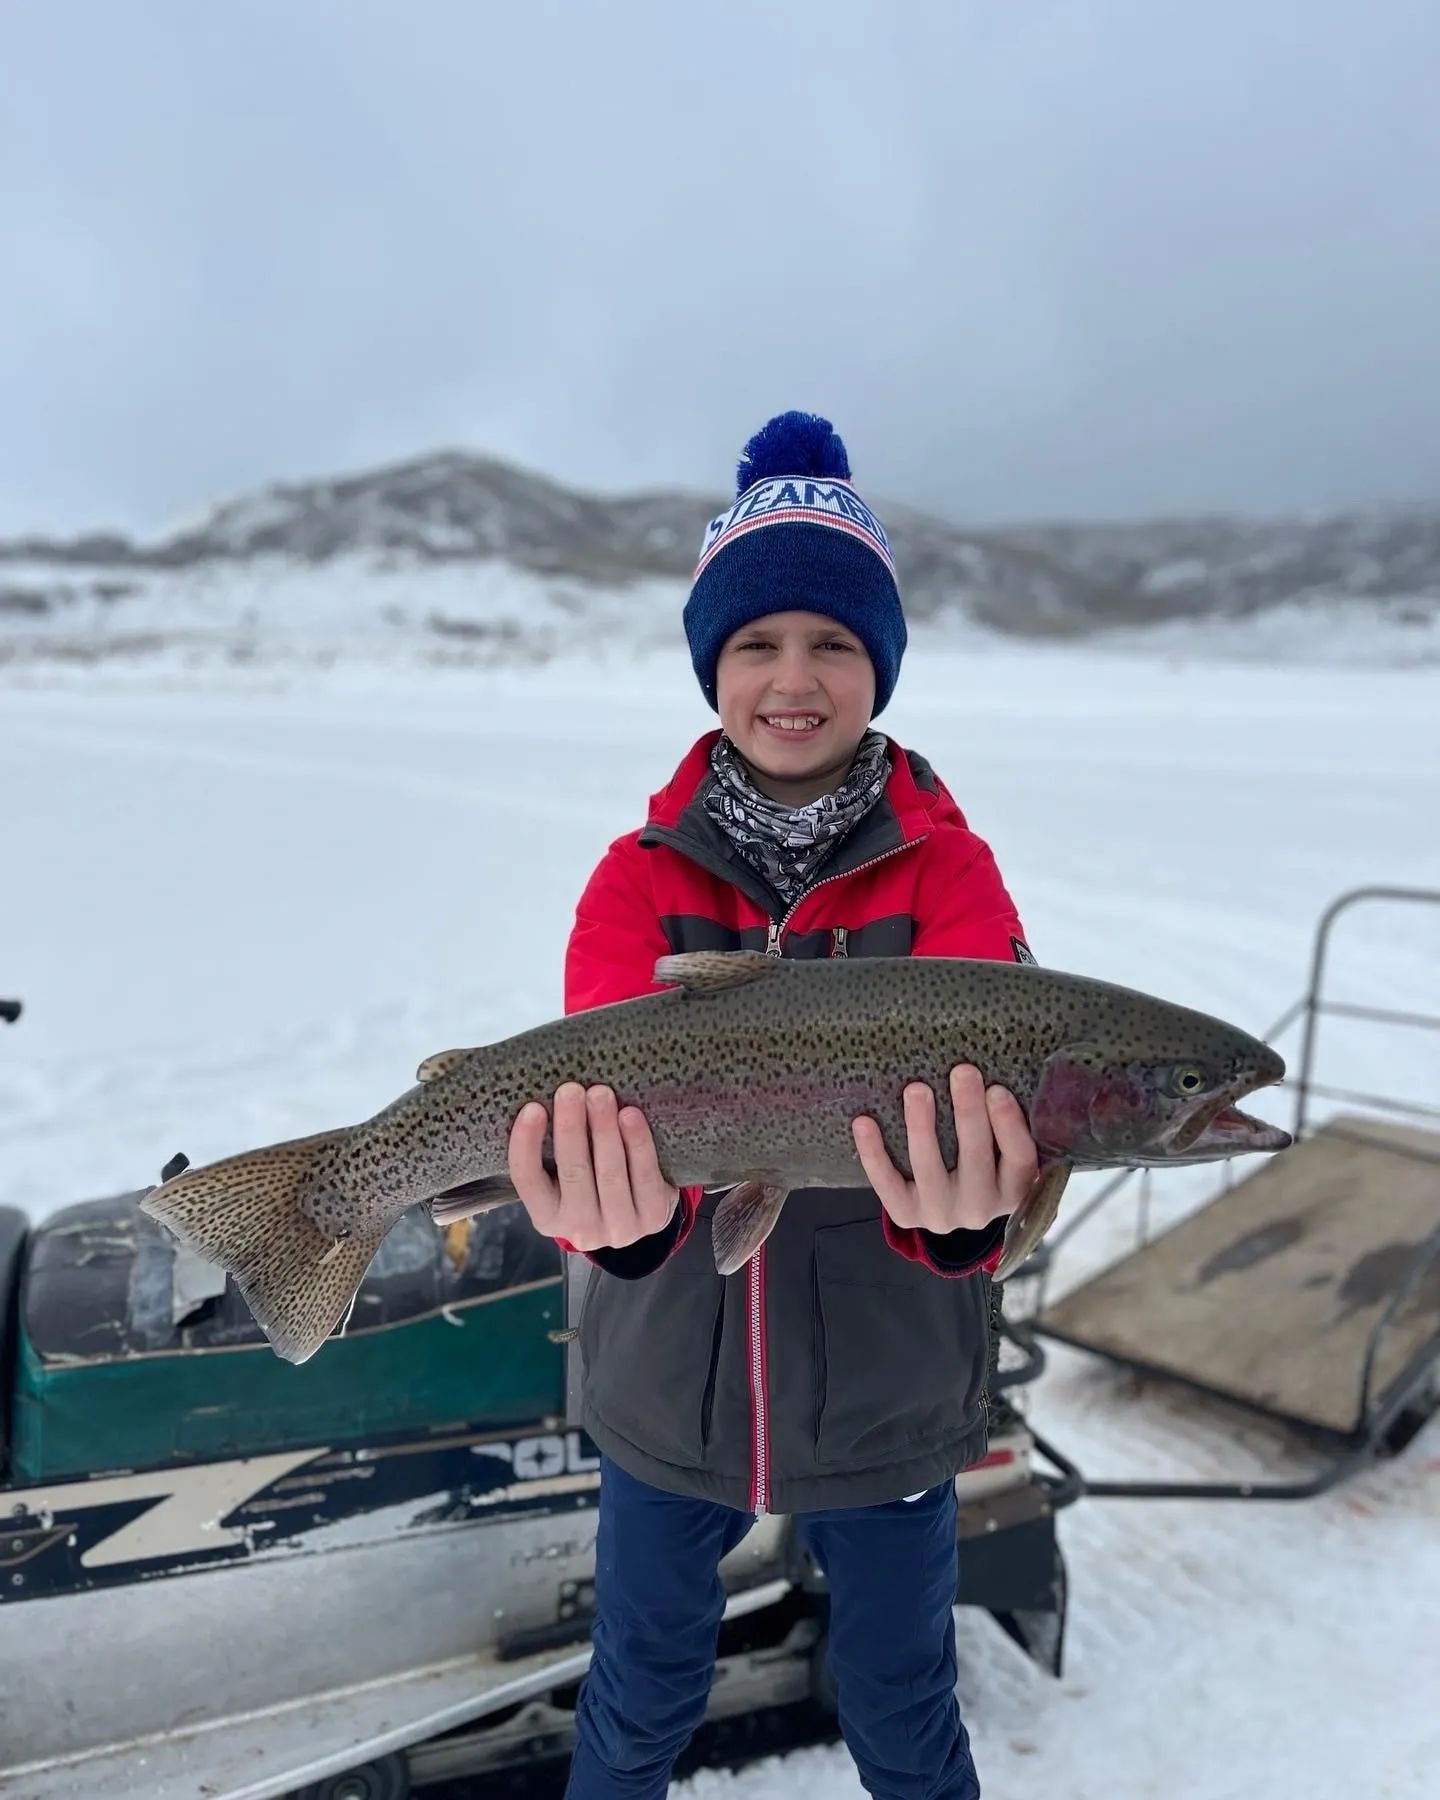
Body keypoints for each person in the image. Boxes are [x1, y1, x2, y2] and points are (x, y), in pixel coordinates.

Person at [506, 411, 1040, 1800]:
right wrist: (615, 1234)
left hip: (888, 1393)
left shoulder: (952, 881)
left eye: (834, 644)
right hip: (667, 1389)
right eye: (757, 643)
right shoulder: (635, 886)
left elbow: (1000, 1152)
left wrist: (967, 1227)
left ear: (882, 667)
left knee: (904, 1705)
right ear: (711, 668)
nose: (793, 678)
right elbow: (592, 1152)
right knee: (637, 1696)